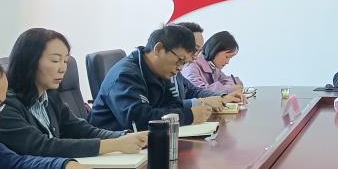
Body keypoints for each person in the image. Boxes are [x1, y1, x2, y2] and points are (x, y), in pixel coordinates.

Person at [0, 28, 147, 158]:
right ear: (29, 61)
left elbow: (81, 129)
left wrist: (125, 136)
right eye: (55, 61)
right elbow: (42, 147)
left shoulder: (49, 96)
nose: (62, 69)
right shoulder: (4, 107)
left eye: (65, 61)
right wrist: (115, 144)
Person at [88, 24, 235, 131]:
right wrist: (189, 116)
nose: (180, 68)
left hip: (140, 144)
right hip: (111, 150)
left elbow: (172, 104)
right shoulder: (126, 74)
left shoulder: (160, 71)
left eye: (184, 63)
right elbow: (139, 121)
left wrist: (195, 106)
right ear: (159, 49)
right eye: (180, 60)